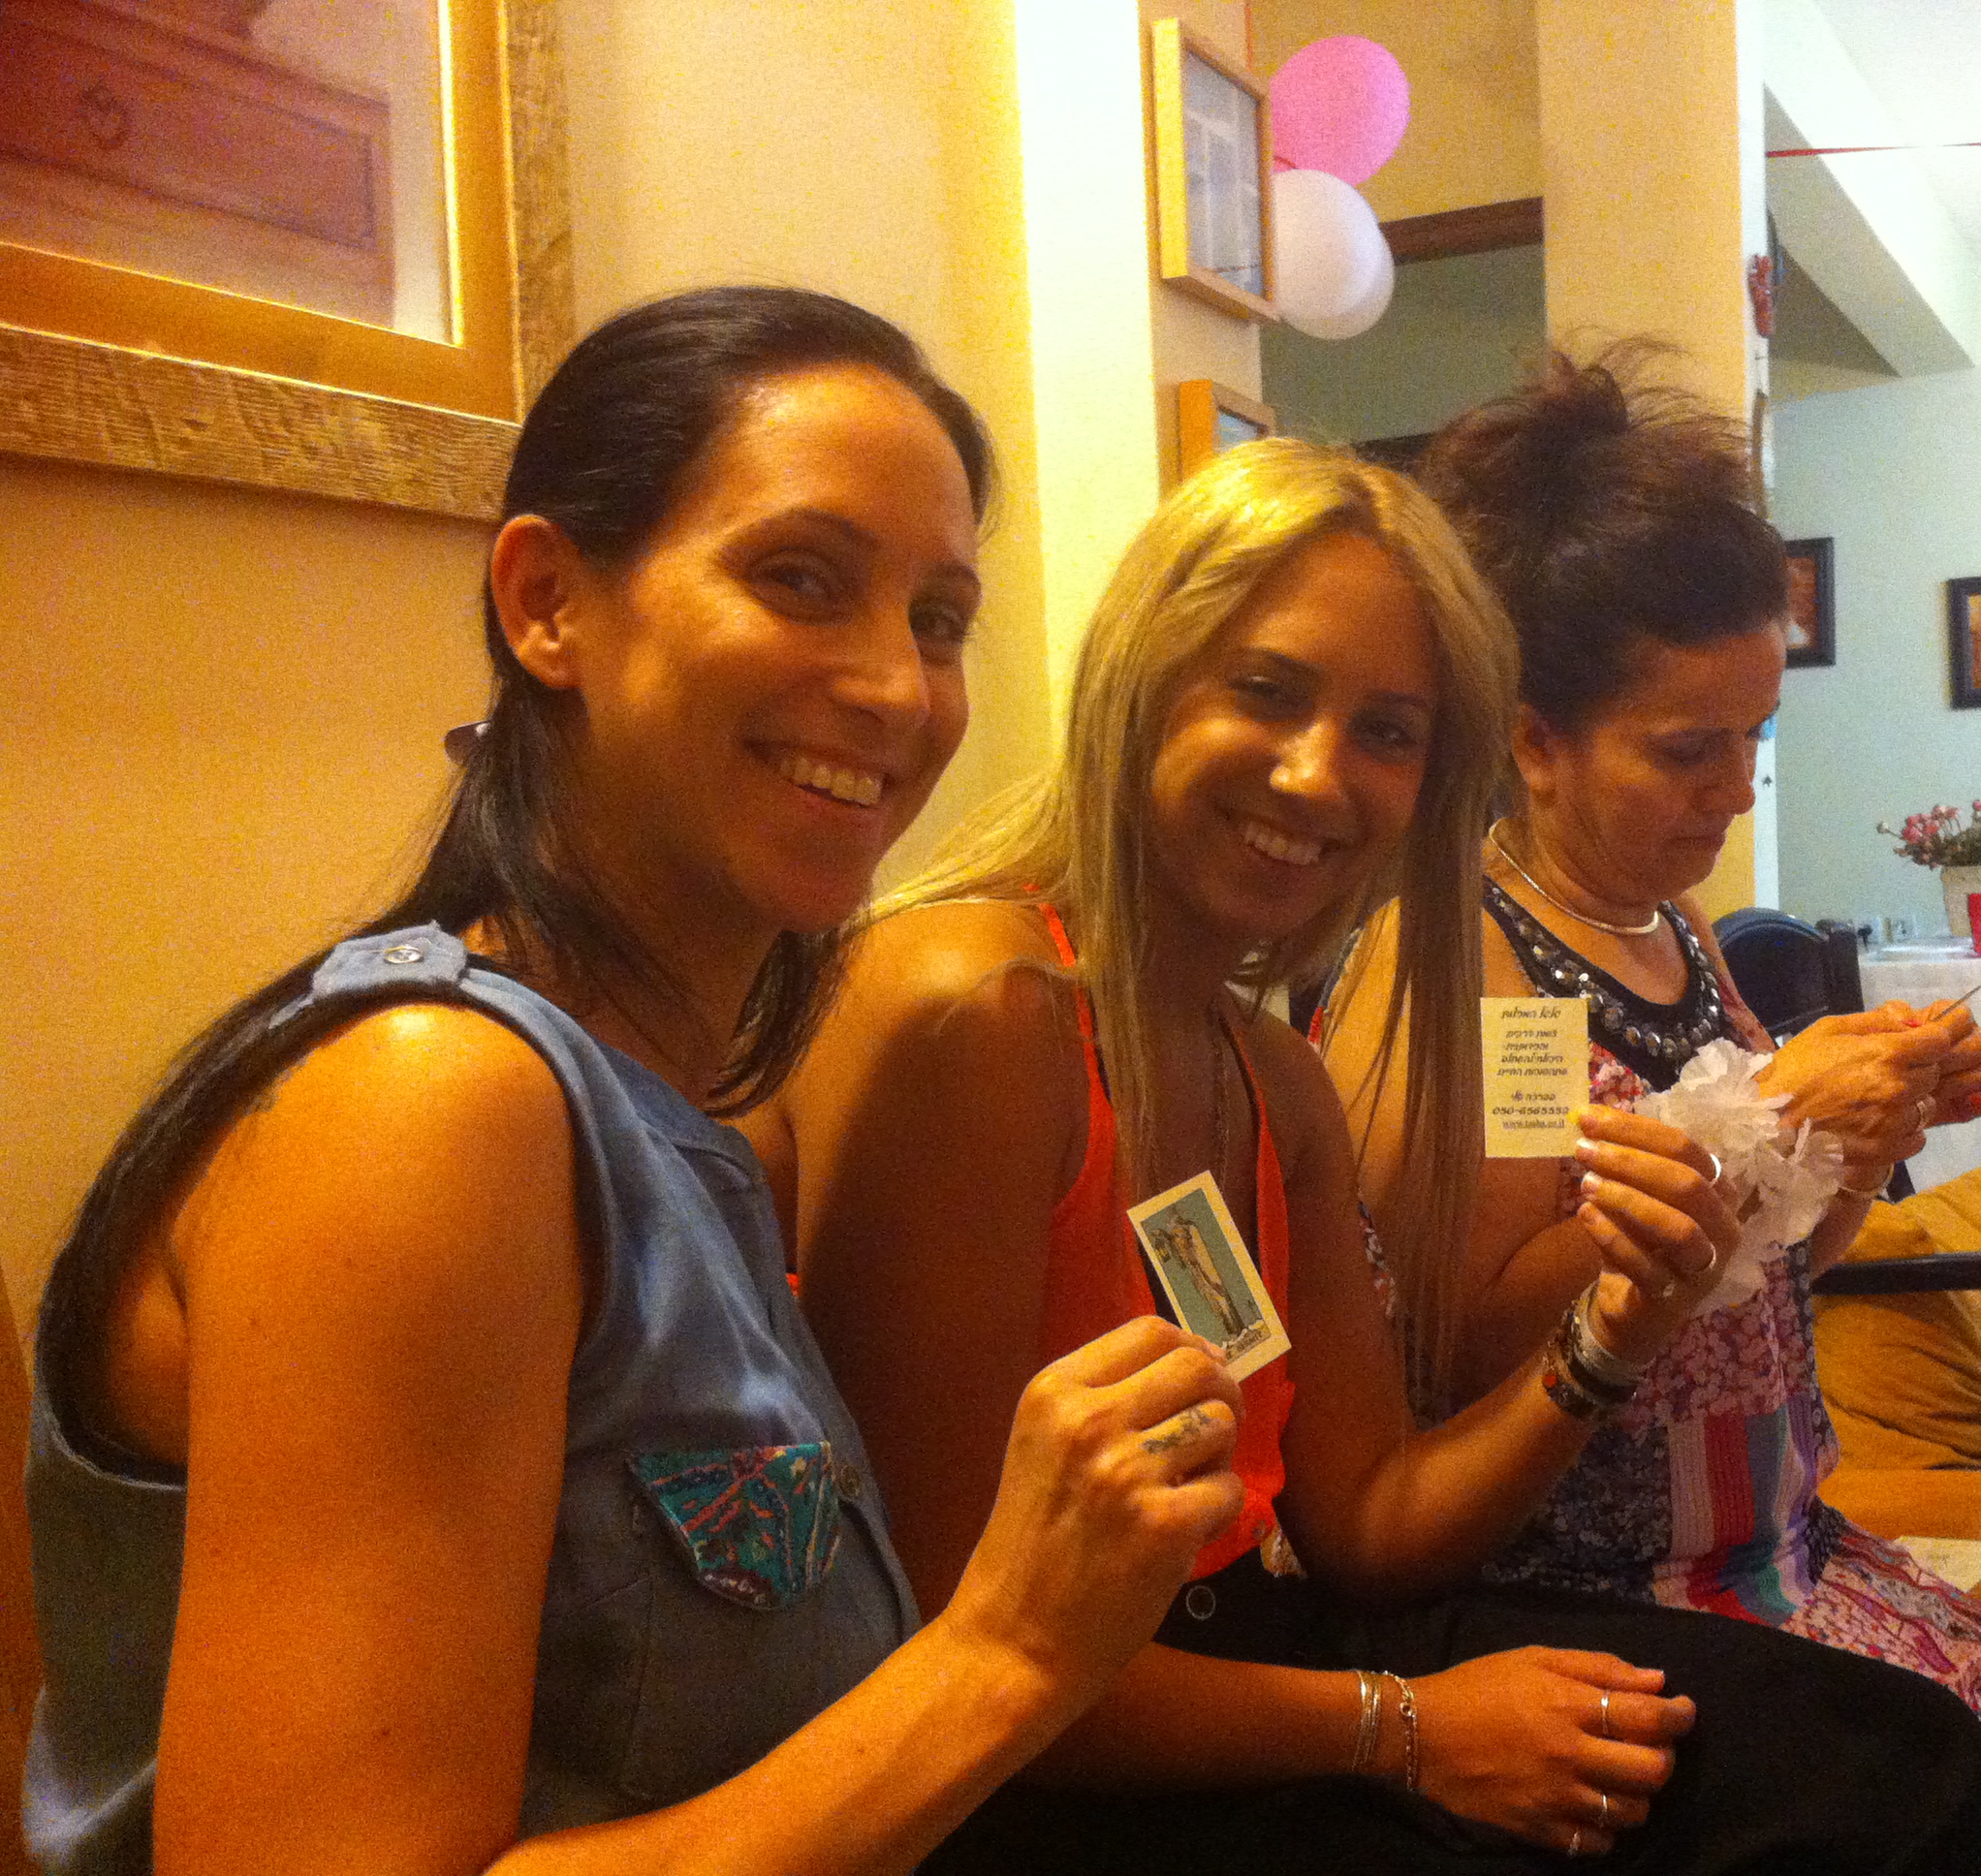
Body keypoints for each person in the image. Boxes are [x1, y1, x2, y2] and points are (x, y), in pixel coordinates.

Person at [23, 287, 1248, 1876]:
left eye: (938, 620)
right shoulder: (424, 1106)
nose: (898, 688)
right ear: (548, 604)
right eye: (800, 579)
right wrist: (1007, 1652)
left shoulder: (668, 1115)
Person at [757, 437, 1981, 1873]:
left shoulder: (1275, 1077)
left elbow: (1371, 1525)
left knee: (1912, 1769)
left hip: (1301, 1635)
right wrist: (1403, 1725)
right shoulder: (992, 1007)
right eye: (1265, 691)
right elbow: (953, 1666)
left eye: (1387, 732)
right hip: (1066, 1768)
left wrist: (1624, 1325)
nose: (1319, 774)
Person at [1318, 348, 1981, 1876]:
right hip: (1598, 1586)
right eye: (1688, 751)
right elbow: (1466, 1338)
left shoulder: (1672, 928)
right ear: (1532, 739)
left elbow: (1775, 1274)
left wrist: (1857, 1146)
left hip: (1766, 1540)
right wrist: (1760, 1111)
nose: (1737, 792)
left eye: (1752, 740)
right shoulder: (1484, 973)